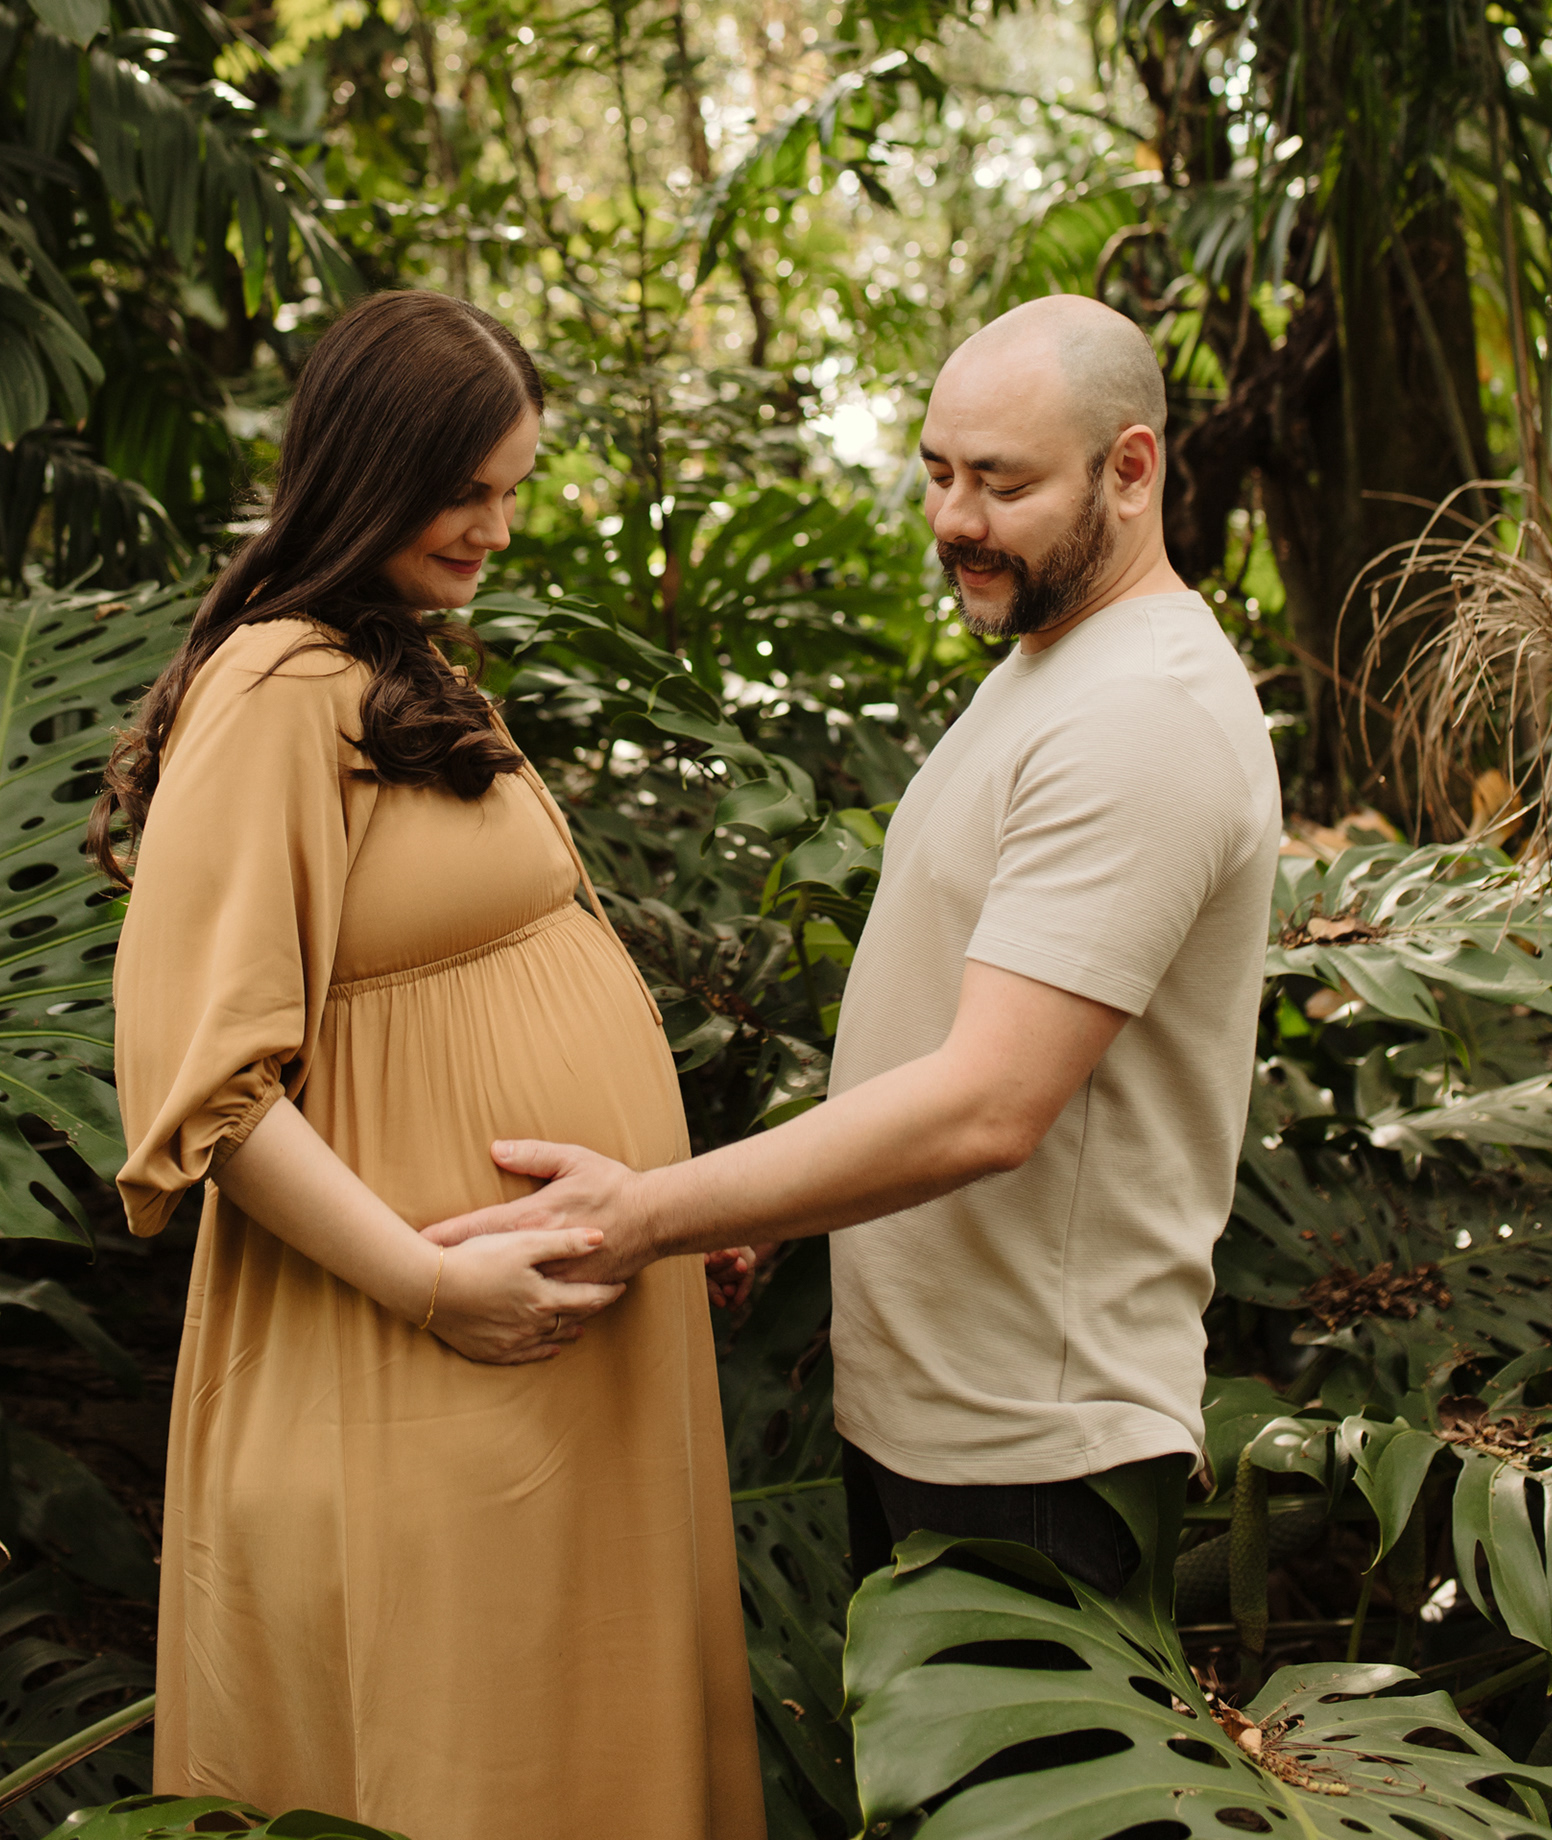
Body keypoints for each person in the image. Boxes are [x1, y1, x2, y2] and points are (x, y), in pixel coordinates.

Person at [425, 293, 1281, 1592]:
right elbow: (944, 1016)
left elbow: (990, 1103)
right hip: (941, 1417)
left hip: (1034, 1446)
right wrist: (768, 1204)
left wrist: (645, 1216)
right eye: (938, 473)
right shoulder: (1057, 664)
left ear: (1130, 469)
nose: (954, 519)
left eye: (1002, 484)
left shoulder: (1141, 716)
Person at [96, 290, 764, 1840]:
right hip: (421, 1352)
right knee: (466, 1761)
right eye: (466, 489)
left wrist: (669, 1206)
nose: (496, 529)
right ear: (372, 468)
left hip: (552, 1342)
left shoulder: (392, 663)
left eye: (513, 490)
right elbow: (209, 1086)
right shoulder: (274, 687)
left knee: (578, 1740)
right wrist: (428, 1285)